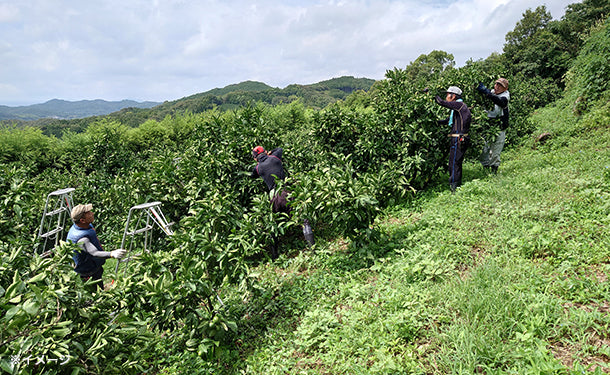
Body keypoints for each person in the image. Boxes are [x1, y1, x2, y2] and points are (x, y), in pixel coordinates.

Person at [66, 204, 126, 290]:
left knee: (99, 283)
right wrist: (112, 254)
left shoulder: (84, 226)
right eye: (89, 213)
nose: (92, 213)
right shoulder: (82, 239)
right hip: (87, 273)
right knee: (95, 292)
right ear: (82, 220)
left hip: (93, 266)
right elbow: (94, 252)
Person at [434, 86, 472, 192]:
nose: (446, 97)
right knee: (455, 162)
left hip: (459, 139)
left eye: (447, 94)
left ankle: (454, 187)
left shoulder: (459, 105)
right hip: (459, 138)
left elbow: (441, 102)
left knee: (454, 163)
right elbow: (449, 121)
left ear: (453, 96)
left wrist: (432, 94)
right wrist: (436, 122)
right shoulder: (458, 108)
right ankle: (456, 184)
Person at [476, 78, 510, 174]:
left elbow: (500, 102)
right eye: (497, 84)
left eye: (500, 86)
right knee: (484, 148)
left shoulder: (505, 95)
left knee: (496, 150)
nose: (497, 87)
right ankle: (485, 167)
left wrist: (486, 92)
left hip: (499, 126)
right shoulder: (491, 92)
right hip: (487, 125)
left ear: (505, 88)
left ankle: (494, 171)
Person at [250, 146, 289, 214]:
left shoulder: (257, 168)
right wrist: (270, 152)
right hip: (285, 192)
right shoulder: (275, 157)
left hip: (274, 198)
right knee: (299, 219)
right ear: (266, 152)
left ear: (255, 159)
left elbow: (252, 176)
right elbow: (280, 149)